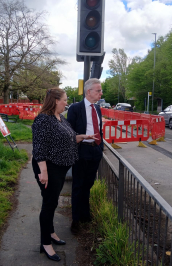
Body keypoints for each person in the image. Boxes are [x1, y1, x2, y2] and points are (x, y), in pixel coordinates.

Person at [32, 87, 97, 262]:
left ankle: (51, 232)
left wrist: (82, 136)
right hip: (49, 168)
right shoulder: (43, 120)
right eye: (65, 99)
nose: (67, 102)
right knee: (49, 203)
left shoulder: (60, 118)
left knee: (53, 202)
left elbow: (70, 137)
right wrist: (43, 172)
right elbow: (39, 148)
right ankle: (45, 243)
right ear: (55, 101)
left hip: (60, 167)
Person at [67, 78, 104, 235]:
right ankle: (75, 220)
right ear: (89, 92)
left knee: (88, 184)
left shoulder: (98, 109)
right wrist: (82, 138)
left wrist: (100, 146)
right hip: (81, 151)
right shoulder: (76, 108)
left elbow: (99, 129)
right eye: (98, 90)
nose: (101, 93)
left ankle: (85, 214)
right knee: (78, 186)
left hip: (95, 151)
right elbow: (69, 132)